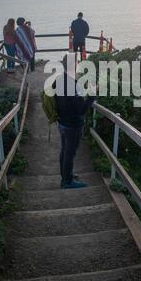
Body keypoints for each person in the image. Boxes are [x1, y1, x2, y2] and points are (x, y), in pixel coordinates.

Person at [55, 53, 95, 189]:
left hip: (61, 122)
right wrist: (92, 96)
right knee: (70, 153)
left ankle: (66, 174)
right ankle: (67, 181)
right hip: (72, 125)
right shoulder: (73, 83)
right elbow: (81, 110)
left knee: (64, 150)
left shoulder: (59, 79)